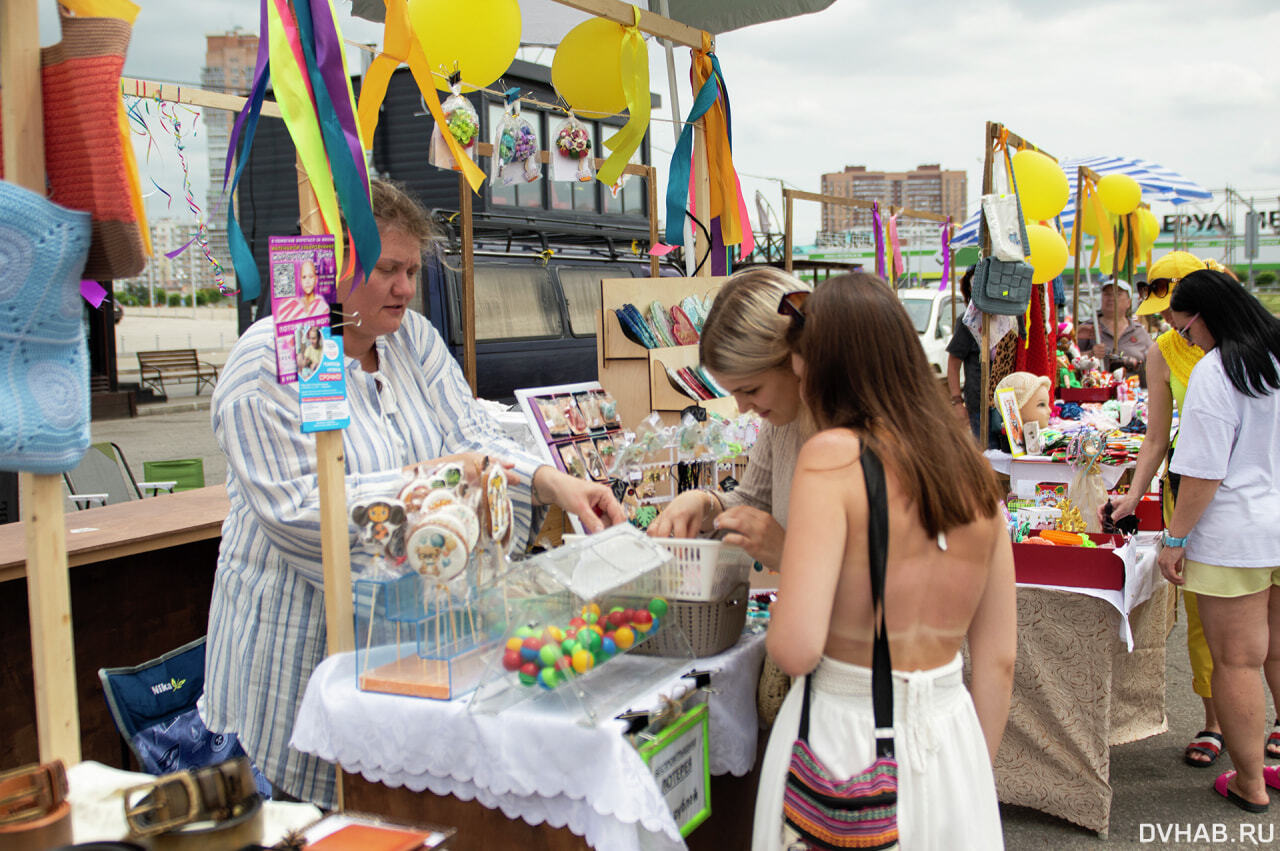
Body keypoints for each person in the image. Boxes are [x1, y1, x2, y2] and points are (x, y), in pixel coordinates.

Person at [202, 180, 625, 807]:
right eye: (387, 270)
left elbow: (472, 433)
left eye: (412, 270)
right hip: (299, 652)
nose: (405, 287)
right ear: (337, 264)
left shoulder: (413, 340)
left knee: (391, 808)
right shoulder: (272, 360)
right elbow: (300, 511)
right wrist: (441, 486)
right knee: (315, 819)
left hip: (408, 647)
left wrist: (552, 481)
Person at [753, 272, 1016, 850]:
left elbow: (795, 647)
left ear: (827, 372)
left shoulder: (833, 459)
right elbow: (998, 661)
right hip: (955, 745)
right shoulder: (973, 473)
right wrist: (971, 775)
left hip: (845, 739)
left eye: (801, 372)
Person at [1156, 268, 1280, 812]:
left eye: (1186, 330)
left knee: (1237, 660)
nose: (1187, 340)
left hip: (1237, 532)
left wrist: (1174, 538)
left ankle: (1251, 782)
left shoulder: (1217, 369)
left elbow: (1203, 471)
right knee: (1275, 649)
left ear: (1205, 317)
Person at [1104, 252, 1233, 767]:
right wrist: (1134, 495)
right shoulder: (1163, 350)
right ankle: (1214, 722)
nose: (1171, 323)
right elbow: (1156, 435)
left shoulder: (1252, 345)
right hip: (1193, 493)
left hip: (1254, 492)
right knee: (1203, 614)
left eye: (1177, 311)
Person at [646, 267, 811, 571]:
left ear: (796, 362)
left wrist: (789, 555)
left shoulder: (852, 440)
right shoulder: (782, 420)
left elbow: (875, 578)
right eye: (733, 392)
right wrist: (706, 504)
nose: (743, 406)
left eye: (750, 389)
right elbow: (754, 502)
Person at [1075, 278, 1152, 374]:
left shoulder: (1139, 331)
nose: (1111, 298)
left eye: (1117, 294)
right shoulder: (1088, 329)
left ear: (1129, 302)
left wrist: (1137, 364)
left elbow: (1153, 362)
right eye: (1107, 294)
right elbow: (1067, 358)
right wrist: (1090, 354)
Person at [276, 258, 330, 322]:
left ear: (316, 279)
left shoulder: (322, 306)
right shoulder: (290, 305)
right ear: (300, 280)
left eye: (311, 276)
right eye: (304, 277)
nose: (307, 281)